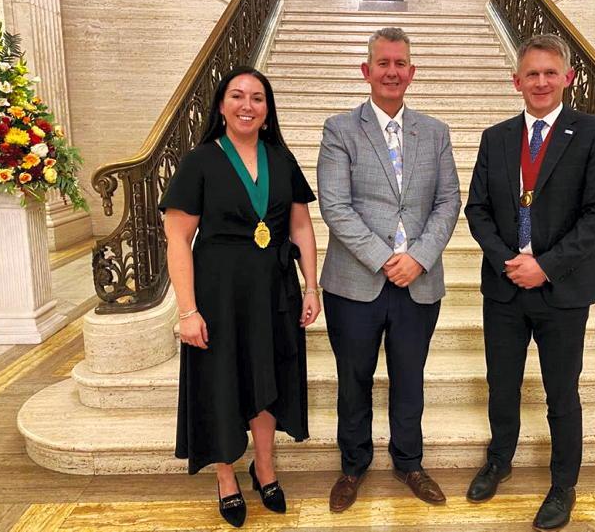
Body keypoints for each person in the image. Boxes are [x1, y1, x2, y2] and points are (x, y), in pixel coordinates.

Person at [464, 34, 595, 530]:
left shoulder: (593, 133)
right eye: (532, 73)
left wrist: (545, 265)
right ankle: (499, 461)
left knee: (561, 393)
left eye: (551, 72)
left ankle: (563, 484)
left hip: (563, 289)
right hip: (505, 286)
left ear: (567, 78)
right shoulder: (496, 137)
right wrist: (509, 260)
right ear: (517, 81)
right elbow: (477, 209)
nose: (541, 81)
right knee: (501, 384)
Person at [160, 66, 320, 528]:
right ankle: (226, 476)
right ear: (221, 105)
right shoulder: (200, 160)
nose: (247, 105)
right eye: (237, 96)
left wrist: (311, 287)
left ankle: (264, 467)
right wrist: (187, 311)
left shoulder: (281, 158)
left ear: (268, 110)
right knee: (222, 382)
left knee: (268, 379)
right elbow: (177, 239)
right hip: (219, 295)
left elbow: (301, 227)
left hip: (274, 290)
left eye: (257, 98)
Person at [317, 27, 461, 512]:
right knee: (353, 378)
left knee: (409, 378)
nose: (392, 72)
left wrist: (418, 256)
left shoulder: (435, 132)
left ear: (412, 72)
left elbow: (448, 201)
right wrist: (384, 258)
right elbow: (336, 206)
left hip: (419, 282)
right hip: (355, 283)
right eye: (383, 63)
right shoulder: (340, 130)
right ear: (367, 71)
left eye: (400, 64)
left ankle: (409, 463)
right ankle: (353, 466)